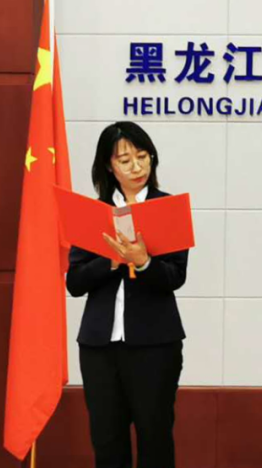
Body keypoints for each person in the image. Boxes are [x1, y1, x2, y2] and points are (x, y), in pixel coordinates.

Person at [66, 121, 188, 468]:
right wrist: (112, 260)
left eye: (143, 156)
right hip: (99, 348)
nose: (137, 167)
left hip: (155, 345)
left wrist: (144, 262)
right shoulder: (93, 212)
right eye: (125, 160)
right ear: (109, 166)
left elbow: (175, 277)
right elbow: (75, 283)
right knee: (107, 442)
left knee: (155, 439)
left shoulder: (169, 207)